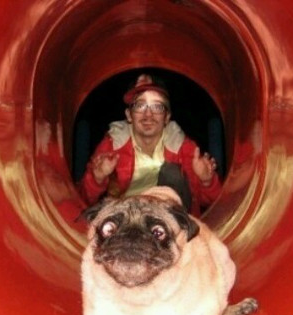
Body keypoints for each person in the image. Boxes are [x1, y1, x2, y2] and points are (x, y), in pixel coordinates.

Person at [79, 73, 222, 215]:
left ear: (167, 117)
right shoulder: (111, 147)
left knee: (172, 172)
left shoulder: (184, 149)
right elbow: (83, 200)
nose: (148, 114)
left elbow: (213, 203)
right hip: (127, 220)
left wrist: (206, 181)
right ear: (129, 115)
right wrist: (97, 178)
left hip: (170, 221)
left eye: (157, 107)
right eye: (140, 105)